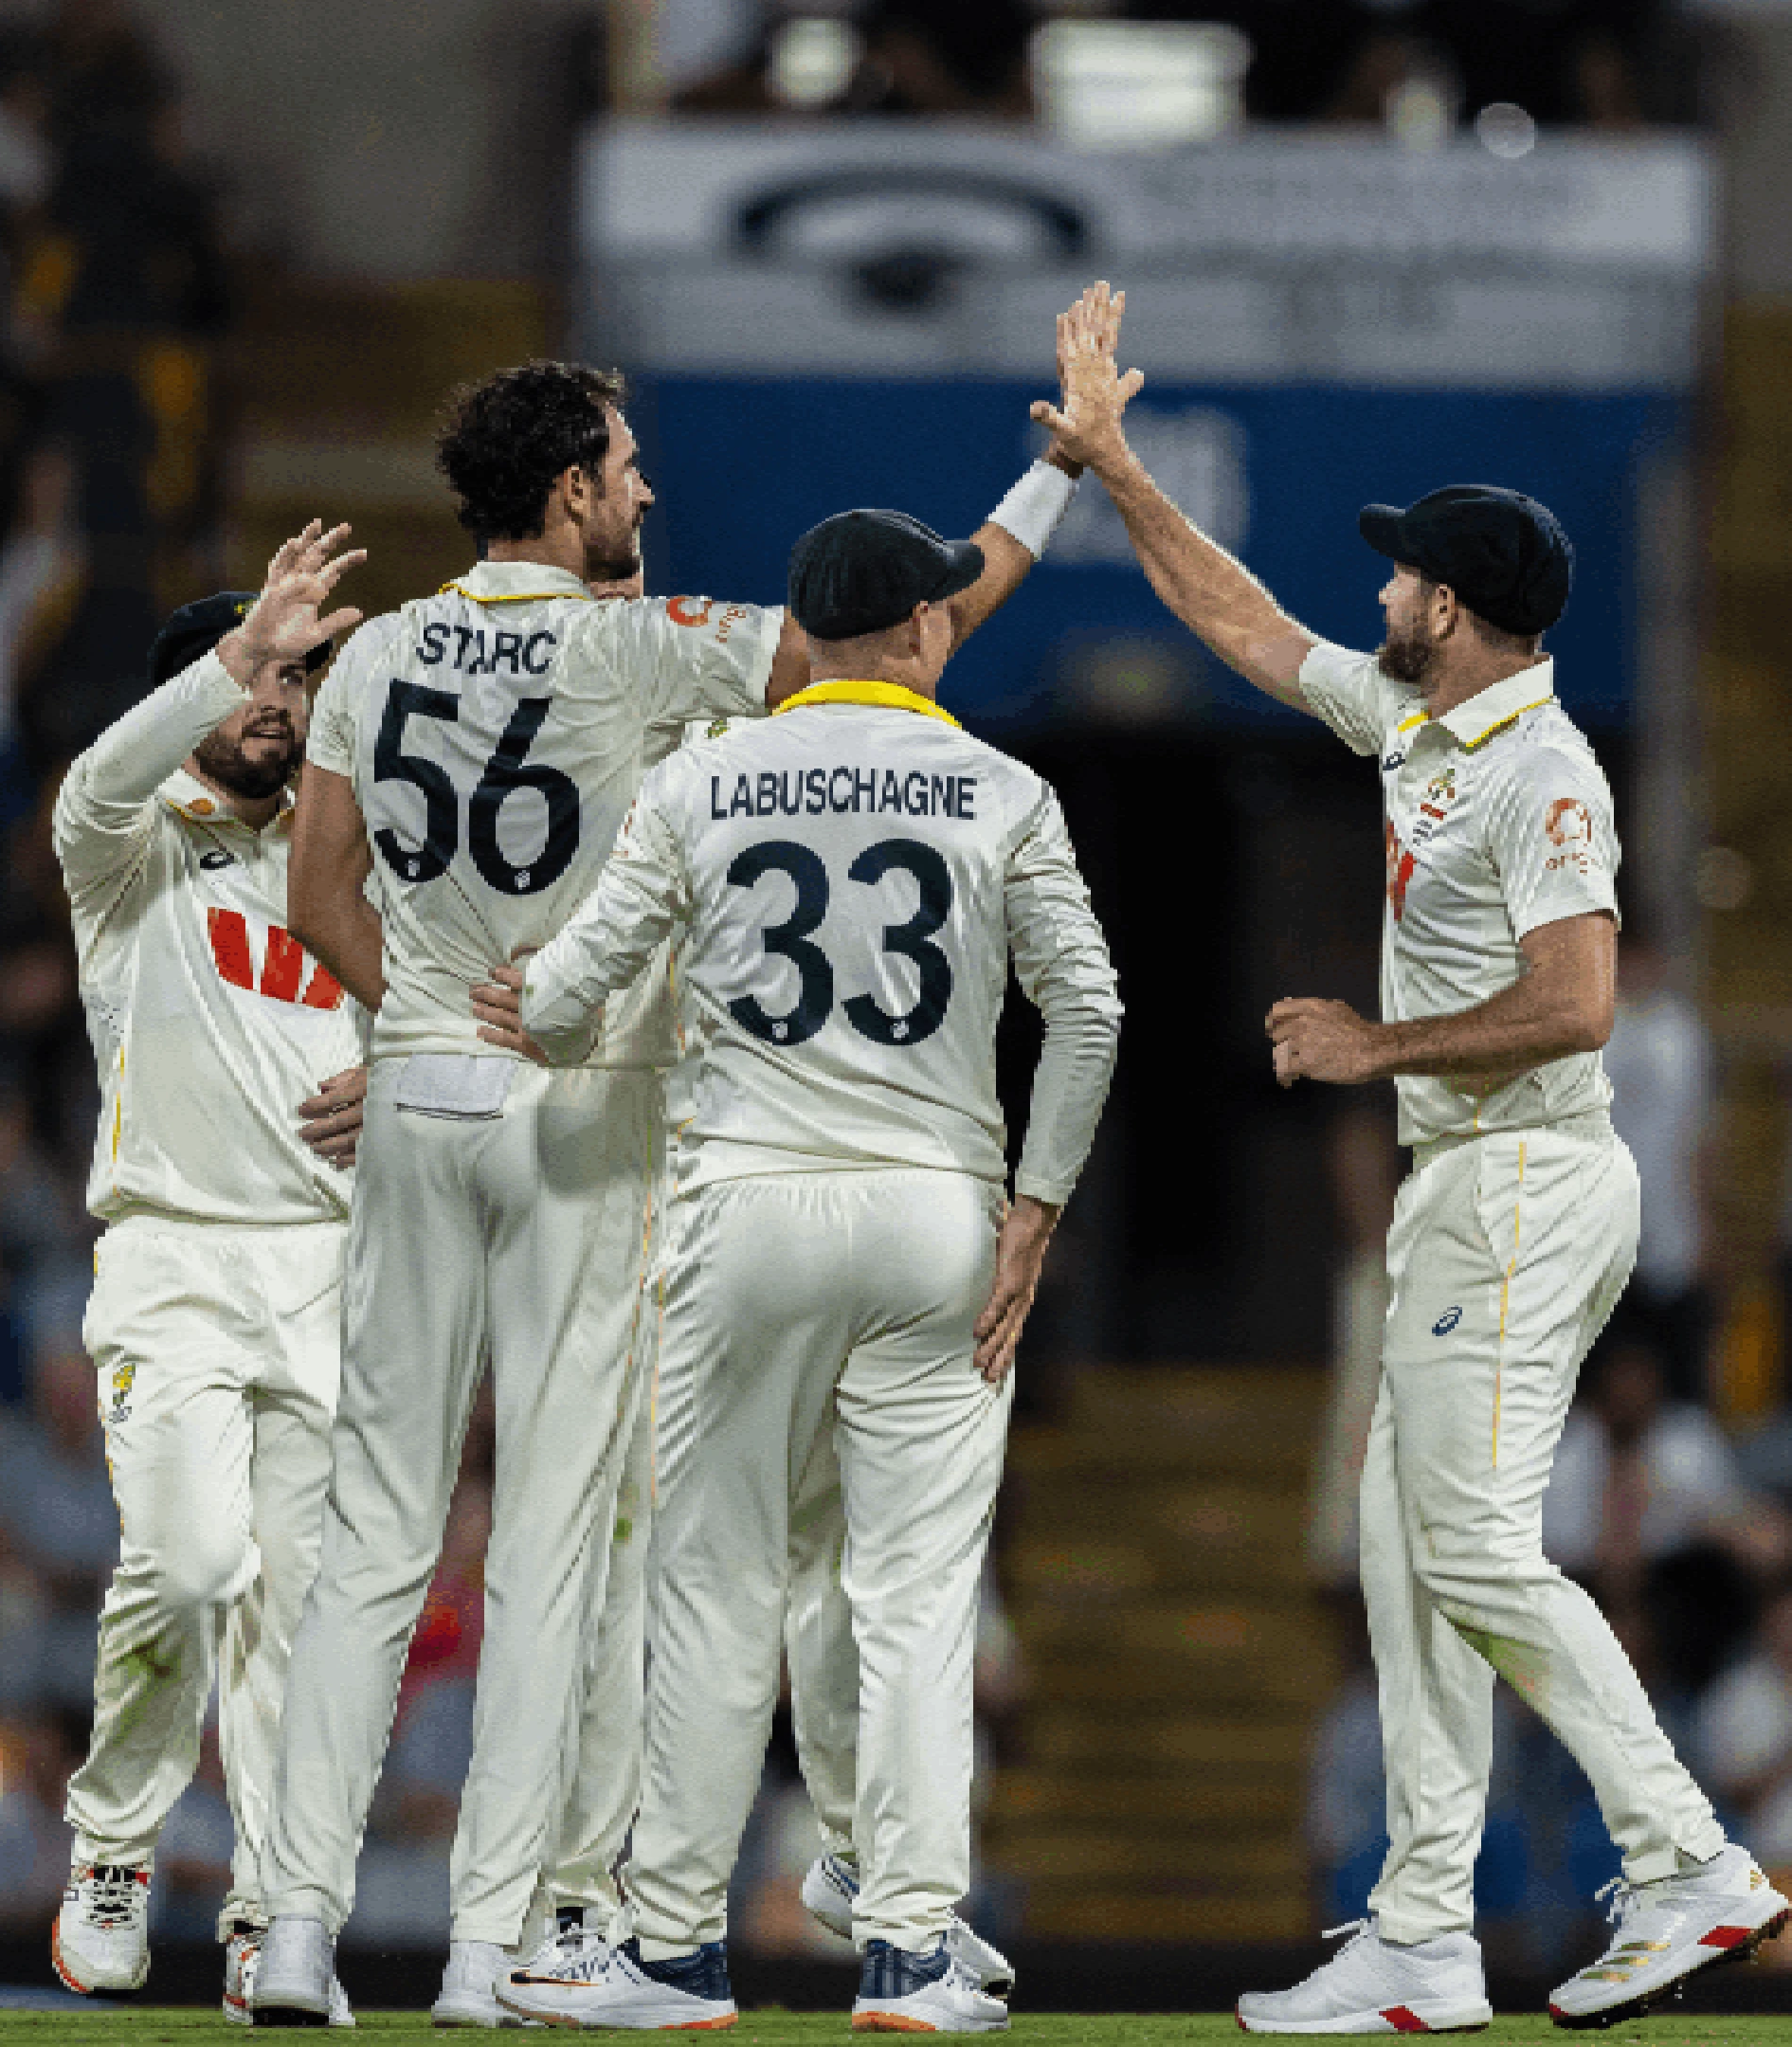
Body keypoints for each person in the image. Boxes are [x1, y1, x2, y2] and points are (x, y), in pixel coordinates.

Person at [254, 360, 1071, 2025]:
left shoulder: (381, 650)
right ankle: (495, 1948)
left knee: (370, 1534)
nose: (643, 491)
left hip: (416, 1092)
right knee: (557, 1540)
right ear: (565, 494)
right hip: (588, 1105)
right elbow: (902, 639)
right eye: (622, 468)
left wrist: (422, 1024)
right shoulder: (648, 639)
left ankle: (289, 1933)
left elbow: (313, 882)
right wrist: (1051, 479)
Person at [1039, 283, 1783, 2033]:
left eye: (1395, 576)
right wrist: (1115, 472)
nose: (1372, 594)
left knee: (1460, 1543)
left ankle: (1686, 1862)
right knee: (1401, 1550)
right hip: (1468, 1188)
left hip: (1527, 1171)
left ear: (1448, 607)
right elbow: (1243, 625)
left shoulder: (1549, 775)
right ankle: (1425, 1936)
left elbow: (1581, 1001)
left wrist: (1378, 1049)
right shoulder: (1427, 732)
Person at [471, 503, 1120, 2031]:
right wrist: (1037, 1211)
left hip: (744, 1211)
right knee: (910, 1590)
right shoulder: (1002, 785)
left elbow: (568, 999)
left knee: (715, 1584)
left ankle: (678, 1951)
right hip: (936, 1212)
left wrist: (528, 995)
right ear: (907, 632)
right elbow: (1088, 1013)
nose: (950, 625)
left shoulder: (705, 775)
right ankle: (908, 1949)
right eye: (940, 612)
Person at [38, 537, 373, 2013]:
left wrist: (403, 1070)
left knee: (295, 1620)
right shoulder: (127, 848)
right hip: (171, 1250)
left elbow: (445, 1011)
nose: (282, 700)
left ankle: (272, 1919)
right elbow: (92, 784)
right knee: (184, 1567)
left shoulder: (347, 852)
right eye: (260, 672)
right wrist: (233, 657)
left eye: (304, 674)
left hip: (329, 1265)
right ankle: (112, 1846)